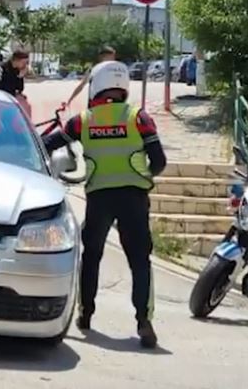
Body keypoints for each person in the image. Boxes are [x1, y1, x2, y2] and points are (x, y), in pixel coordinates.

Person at [41, 60, 166, 349]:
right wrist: (143, 175)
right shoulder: (139, 118)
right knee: (139, 260)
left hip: (99, 198)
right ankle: (144, 321)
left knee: (92, 255)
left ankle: (86, 315)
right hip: (134, 198)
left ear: (96, 85)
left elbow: (48, 144)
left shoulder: (83, 120)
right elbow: (159, 161)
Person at [0, 50, 31, 118]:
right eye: (24, 62)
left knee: (26, 105)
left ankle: (26, 125)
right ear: (17, 60)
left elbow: (20, 89)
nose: (25, 65)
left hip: (12, 96)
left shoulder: (18, 70)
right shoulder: (1, 67)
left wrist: (20, 77)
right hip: (2, 96)